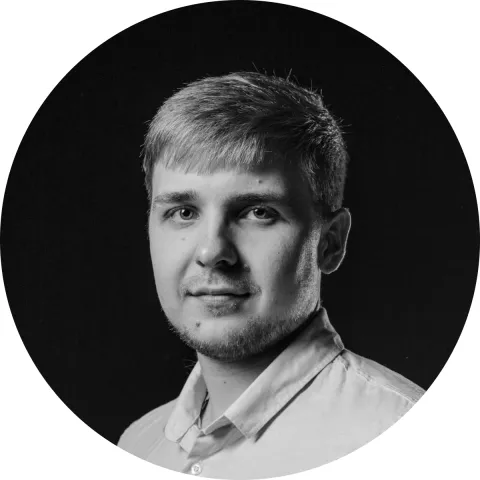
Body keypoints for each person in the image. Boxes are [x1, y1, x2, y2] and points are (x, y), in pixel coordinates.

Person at [118, 72, 424, 478]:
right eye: (184, 212)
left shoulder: (405, 440)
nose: (212, 252)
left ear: (330, 242)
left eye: (258, 212)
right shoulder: (138, 445)